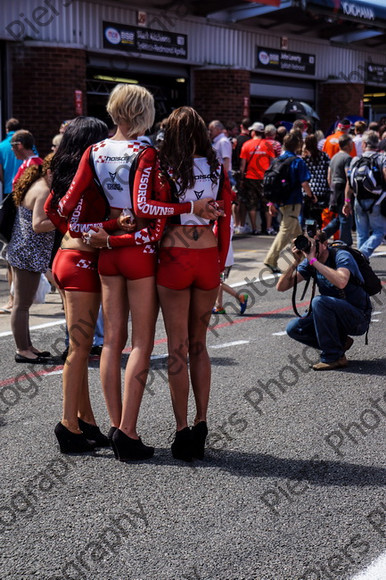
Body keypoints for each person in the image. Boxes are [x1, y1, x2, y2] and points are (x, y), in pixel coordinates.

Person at [61, 86, 222, 461]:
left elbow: (67, 209)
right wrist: (189, 206)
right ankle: (127, 432)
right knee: (143, 346)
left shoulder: (94, 150)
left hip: (106, 253)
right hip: (140, 251)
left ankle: (119, 425)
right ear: (145, 113)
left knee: (112, 342)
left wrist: (99, 231)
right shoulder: (144, 152)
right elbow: (145, 207)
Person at [149, 106, 231, 461]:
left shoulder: (164, 165)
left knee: (177, 348)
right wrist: (223, 263)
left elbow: (151, 209)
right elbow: (225, 217)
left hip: (176, 254)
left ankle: (182, 430)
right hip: (207, 254)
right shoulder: (215, 168)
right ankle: (201, 420)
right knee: (200, 345)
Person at [45, 116, 115, 454]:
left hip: (66, 259)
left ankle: (86, 420)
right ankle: (67, 425)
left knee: (82, 348)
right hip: (80, 265)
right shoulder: (92, 177)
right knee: (79, 349)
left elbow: (50, 209)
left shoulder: (64, 174)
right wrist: (97, 230)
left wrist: (71, 230)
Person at [277, 230, 372, 370]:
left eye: (313, 244)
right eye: (308, 245)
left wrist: (314, 262)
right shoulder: (310, 260)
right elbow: (281, 287)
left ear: (324, 244)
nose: (310, 248)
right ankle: (340, 343)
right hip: (334, 314)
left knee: (319, 302)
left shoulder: (341, 255)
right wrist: (295, 262)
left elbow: (341, 282)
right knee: (294, 328)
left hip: (357, 318)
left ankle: (332, 357)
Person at [7, 154, 56, 362]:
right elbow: (38, 224)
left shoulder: (38, 184)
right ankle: (22, 350)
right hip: (28, 253)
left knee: (23, 303)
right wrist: (61, 219)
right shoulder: (44, 189)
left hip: (24, 251)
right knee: (22, 304)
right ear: (49, 172)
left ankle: (27, 346)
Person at [264, 133, 316, 274]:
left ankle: (304, 259)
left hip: (280, 201)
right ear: (298, 145)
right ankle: (271, 259)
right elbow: (304, 182)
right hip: (293, 200)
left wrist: (271, 203)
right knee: (286, 230)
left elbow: (271, 183)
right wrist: (311, 196)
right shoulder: (297, 161)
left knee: (297, 232)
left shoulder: (277, 160)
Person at [343, 131, 386, 258]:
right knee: (380, 231)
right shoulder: (381, 158)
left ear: (364, 144)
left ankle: (359, 265)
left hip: (358, 200)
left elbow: (349, 183)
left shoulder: (356, 159)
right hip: (377, 200)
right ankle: (361, 255)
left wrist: (347, 202)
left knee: (362, 233)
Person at [239, 121, 275, 235]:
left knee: (252, 203)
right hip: (265, 178)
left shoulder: (246, 145)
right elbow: (272, 163)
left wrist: (241, 179)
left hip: (250, 178)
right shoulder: (268, 145)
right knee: (267, 203)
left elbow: (242, 166)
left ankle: (255, 228)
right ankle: (269, 228)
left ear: (254, 132)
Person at [323, 134, 353, 245]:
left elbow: (328, 177)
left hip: (334, 191)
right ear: (348, 145)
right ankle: (345, 244)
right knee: (345, 219)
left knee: (339, 219)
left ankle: (322, 234)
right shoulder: (347, 158)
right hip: (342, 191)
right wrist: (347, 199)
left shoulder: (334, 158)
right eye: (351, 144)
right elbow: (348, 178)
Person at [302, 134, 331, 229]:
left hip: (308, 189)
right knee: (318, 213)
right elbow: (329, 171)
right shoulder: (324, 155)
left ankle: (310, 232)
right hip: (321, 188)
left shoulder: (304, 158)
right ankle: (318, 231)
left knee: (308, 214)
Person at [0, 118, 22, 199]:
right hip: (25, 187)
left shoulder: (1, 146)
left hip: (9, 188)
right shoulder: (27, 144)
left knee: (9, 211)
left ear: (7, 130)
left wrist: (6, 183)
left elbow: (0, 170)